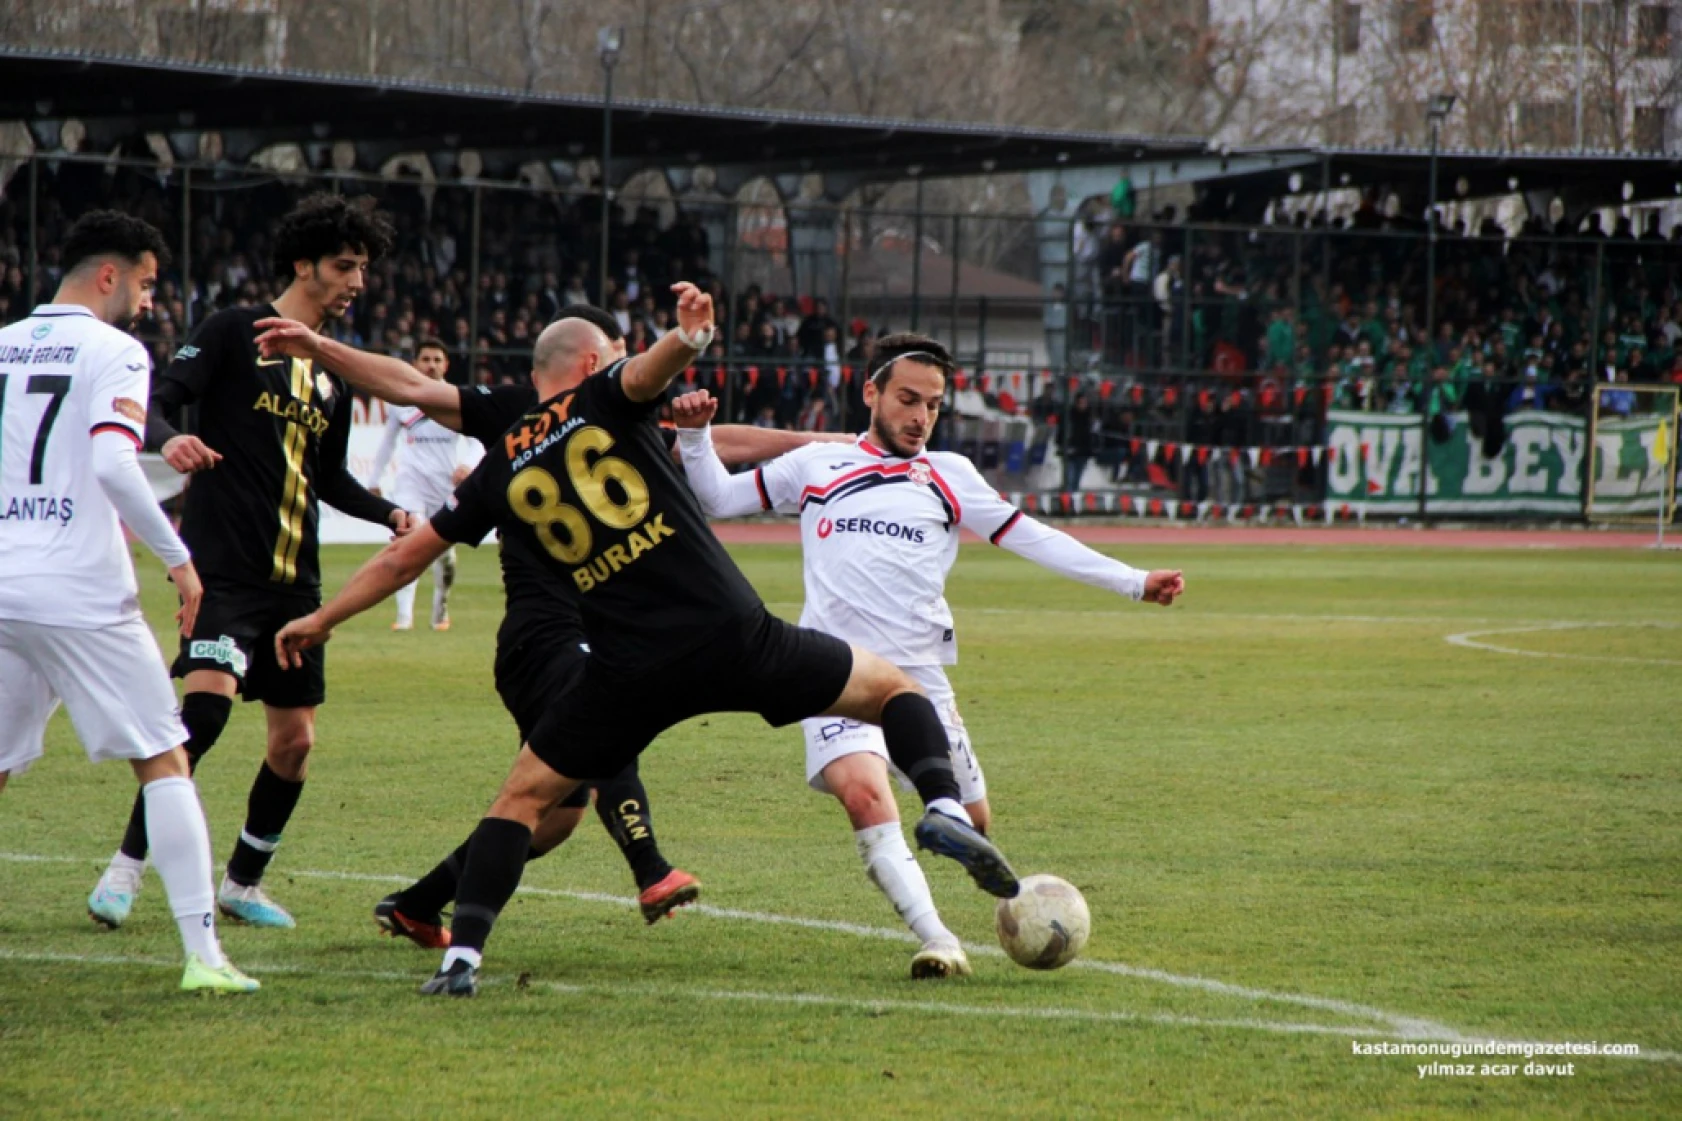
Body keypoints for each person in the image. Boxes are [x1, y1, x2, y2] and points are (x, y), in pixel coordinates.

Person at [272, 286, 1022, 997]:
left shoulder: (499, 461)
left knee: (524, 798)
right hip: (731, 634)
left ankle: (463, 954)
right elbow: (665, 369)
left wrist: (322, 618)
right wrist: (689, 333)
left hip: (626, 666)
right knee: (895, 690)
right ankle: (943, 808)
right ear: (595, 364)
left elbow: (408, 554)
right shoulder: (611, 398)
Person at [249, 302, 850, 942]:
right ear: (588, 358)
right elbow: (411, 386)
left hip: (586, 627)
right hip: (546, 633)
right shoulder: (516, 412)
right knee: (607, 715)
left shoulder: (616, 411)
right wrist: (320, 348)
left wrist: (825, 444)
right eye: (617, 358)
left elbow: (717, 439)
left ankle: (417, 904)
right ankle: (651, 867)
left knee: (554, 817)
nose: (626, 372)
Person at [671, 333, 1184, 978]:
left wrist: (1133, 581)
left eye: (934, 406)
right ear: (871, 394)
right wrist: (696, 437)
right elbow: (719, 498)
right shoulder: (815, 466)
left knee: (974, 819)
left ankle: (954, 832)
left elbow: (1032, 538)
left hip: (918, 676)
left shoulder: (949, 474)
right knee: (864, 795)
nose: (920, 417)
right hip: (832, 668)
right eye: (908, 399)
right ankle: (938, 939)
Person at [85, 193, 414, 933]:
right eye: (344, 265)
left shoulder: (329, 377)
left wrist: (388, 512)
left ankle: (243, 881)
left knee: (294, 742)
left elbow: (330, 479)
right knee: (200, 715)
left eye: (363, 267)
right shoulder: (233, 332)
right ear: (304, 265)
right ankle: (126, 867)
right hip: (225, 574)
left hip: (296, 588)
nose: (358, 280)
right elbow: (159, 399)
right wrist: (169, 439)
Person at [0, 211, 256, 992]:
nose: (148, 301)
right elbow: (115, 465)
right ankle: (204, 957)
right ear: (108, 275)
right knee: (165, 757)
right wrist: (179, 562)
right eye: (144, 283)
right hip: (77, 585)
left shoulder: (3, 343)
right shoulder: (115, 351)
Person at [366, 337, 479, 631]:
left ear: (446, 365)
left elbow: (479, 442)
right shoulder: (402, 400)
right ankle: (404, 618)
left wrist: (467, 465)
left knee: (445, 559)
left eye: (436, 360)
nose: (431, 365)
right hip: (410, 482)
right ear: (415, 363)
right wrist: (374, 479)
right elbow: (387, 443)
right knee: (408, 542)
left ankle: (440, 610)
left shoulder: (457, 399)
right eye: (426, 359)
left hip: (445, 487)